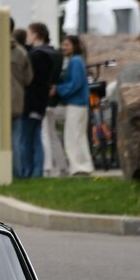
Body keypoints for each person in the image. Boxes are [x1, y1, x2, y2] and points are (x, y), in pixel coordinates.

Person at [20, 22, 60, 178]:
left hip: (31, 101)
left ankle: (29, 171)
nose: (28, 37)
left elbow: (29, 79)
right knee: (36, 136)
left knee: (27, 139)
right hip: (42, 100)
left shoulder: (36, 56)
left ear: (36, 35)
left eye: (29, 34)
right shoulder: (52, 54)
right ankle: (37, 171)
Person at [54, 34, 94, 175]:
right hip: (81, 104)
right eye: (63, 44)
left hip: (75, 104)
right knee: (80, 136)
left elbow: (75, 83)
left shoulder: (75, 61)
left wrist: (58, 89)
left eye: (67, 45)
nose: (63, 47)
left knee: (72, 137)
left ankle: (77, 167)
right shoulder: (79, 60)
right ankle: (85, 165)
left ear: (75, 46)